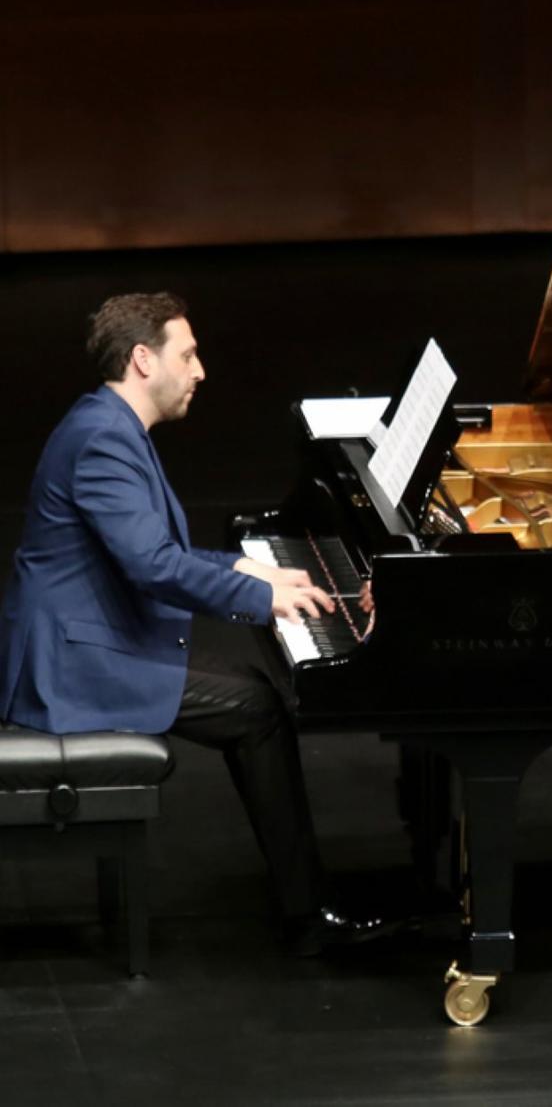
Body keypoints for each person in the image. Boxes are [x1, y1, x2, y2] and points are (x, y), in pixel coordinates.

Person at [0, 292, 389, 956]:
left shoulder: (110, 425)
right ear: (144, 360)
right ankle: (307, 916)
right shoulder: (103, 441)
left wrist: (251, 569)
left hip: (91, 638)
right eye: (189, 353)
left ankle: (305, 905)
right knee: (257, 706)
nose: (202, 369)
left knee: (252, 695)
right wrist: (259, 599)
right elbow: (153, 566)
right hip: (73, 665)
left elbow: (160, 553)